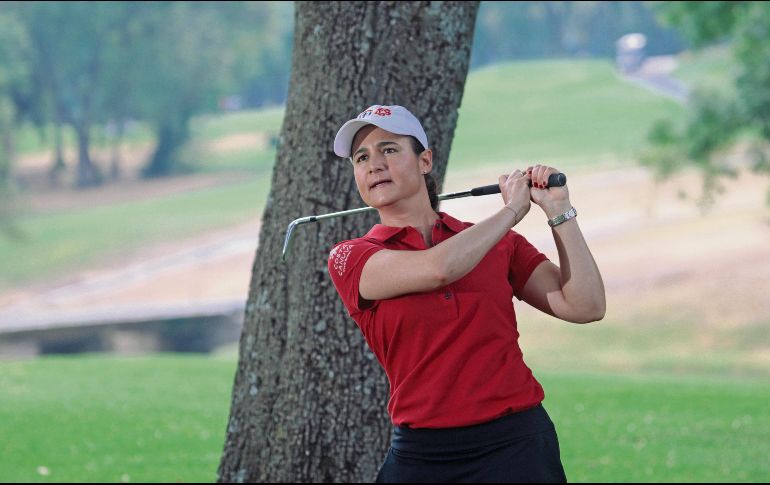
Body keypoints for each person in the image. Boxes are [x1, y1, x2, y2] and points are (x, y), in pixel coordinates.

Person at [327, 104, 605, 483]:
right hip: (423, 455)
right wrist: (511, 210)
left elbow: (585, 305)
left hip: (516, 446)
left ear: (424, 161)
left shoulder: (499, 243)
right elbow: (438, 269)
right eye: (362, 157)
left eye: (389, 149)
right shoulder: (351, 257)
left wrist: (560, 212)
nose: (374, 164)